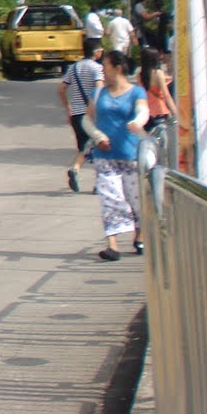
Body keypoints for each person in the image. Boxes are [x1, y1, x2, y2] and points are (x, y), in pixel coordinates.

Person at [84, 49, 148, 260]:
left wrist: (137, 122)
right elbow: (87, 119)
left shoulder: (137, 92)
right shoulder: (98, 93)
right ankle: (112, 245)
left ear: (118, 68)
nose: (103, 71)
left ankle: (139, 236)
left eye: (106, 67)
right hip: (105, 157)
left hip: (131, 155)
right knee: (110, 198)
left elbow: (143, 111)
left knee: (135, 198)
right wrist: (97, 136)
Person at [59, 44, 105, 192]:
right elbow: (99, 89)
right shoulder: (97, 68)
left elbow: (61, 89)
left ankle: (75, 169)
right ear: (96, 52)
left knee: (84, 147)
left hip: (76, 114)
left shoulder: (73, 68)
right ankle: (98, 182)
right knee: (99, 147)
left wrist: (68, 108)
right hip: (91, 115)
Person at [139, 50, 175, 144]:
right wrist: (175, 112)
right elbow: (167, 95)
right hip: (160, 111)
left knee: (150, 142)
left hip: (147, 113)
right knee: (163, 143)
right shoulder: (158, 73)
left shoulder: (139, 75)